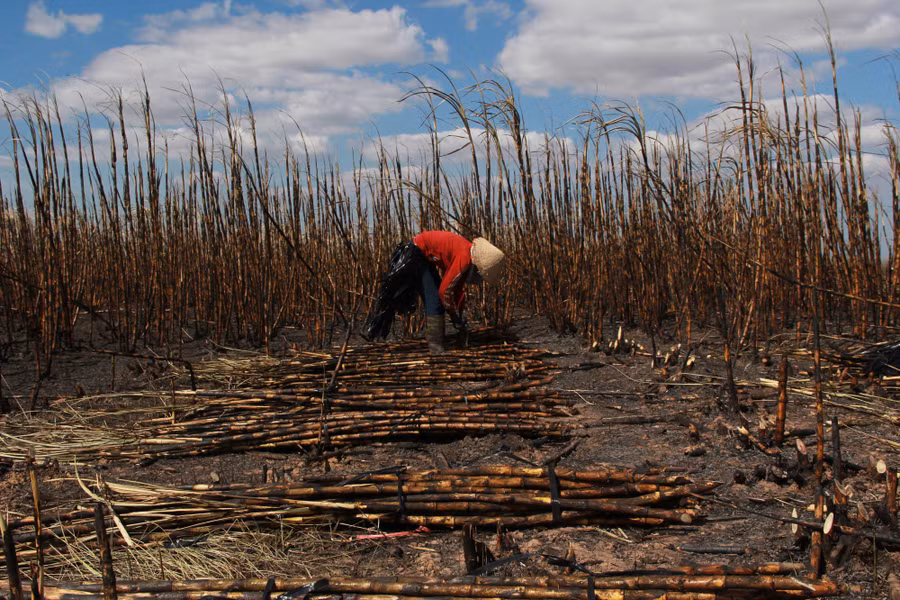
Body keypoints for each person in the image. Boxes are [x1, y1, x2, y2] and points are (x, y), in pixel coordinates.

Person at [363, 231, 506, 352]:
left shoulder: (467, 254)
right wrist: (453, 314)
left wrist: (460, 314)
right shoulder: (464, 259)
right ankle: (436, 348)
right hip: (416, 255)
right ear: (478, 266)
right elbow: (445, 291)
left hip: (423, 256)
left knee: (437, 300)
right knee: (436, 302)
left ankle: (436, 344)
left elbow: (457, 290)